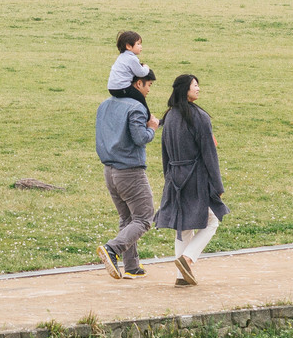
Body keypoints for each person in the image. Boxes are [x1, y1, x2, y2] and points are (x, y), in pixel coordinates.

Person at [154, 74, 227, 287]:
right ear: (185, 89)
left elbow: (164, 153)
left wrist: (168, 176)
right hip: (195, 177)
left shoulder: (168, 117)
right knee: (212, 220)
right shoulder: (200, 117)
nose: (198, 89)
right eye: (195, 85)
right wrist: (217, 184)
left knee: (183, 225)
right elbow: (209, 154)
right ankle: (187, 259)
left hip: (174, 177)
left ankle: (181, 278)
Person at [94, 69, 159, 279]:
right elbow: (140, 138)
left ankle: (131, 266)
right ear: (138, 83)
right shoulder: (136, 107)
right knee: (144, 217)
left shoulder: (104, 105)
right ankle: (112, 249)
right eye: (148, 85)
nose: (149, 91)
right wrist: (153, 128)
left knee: (127, 218)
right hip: (130, 171)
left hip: (109, 171)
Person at [107, 30, 150, 98]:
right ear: (128, 46)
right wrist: (146, 67)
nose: (141, 47)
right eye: (138, 44)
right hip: (122, 88)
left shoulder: (121, 56)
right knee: (140, 97)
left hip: (112, 88)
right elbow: (141, 73)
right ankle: (144, 109)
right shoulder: (132, 58)